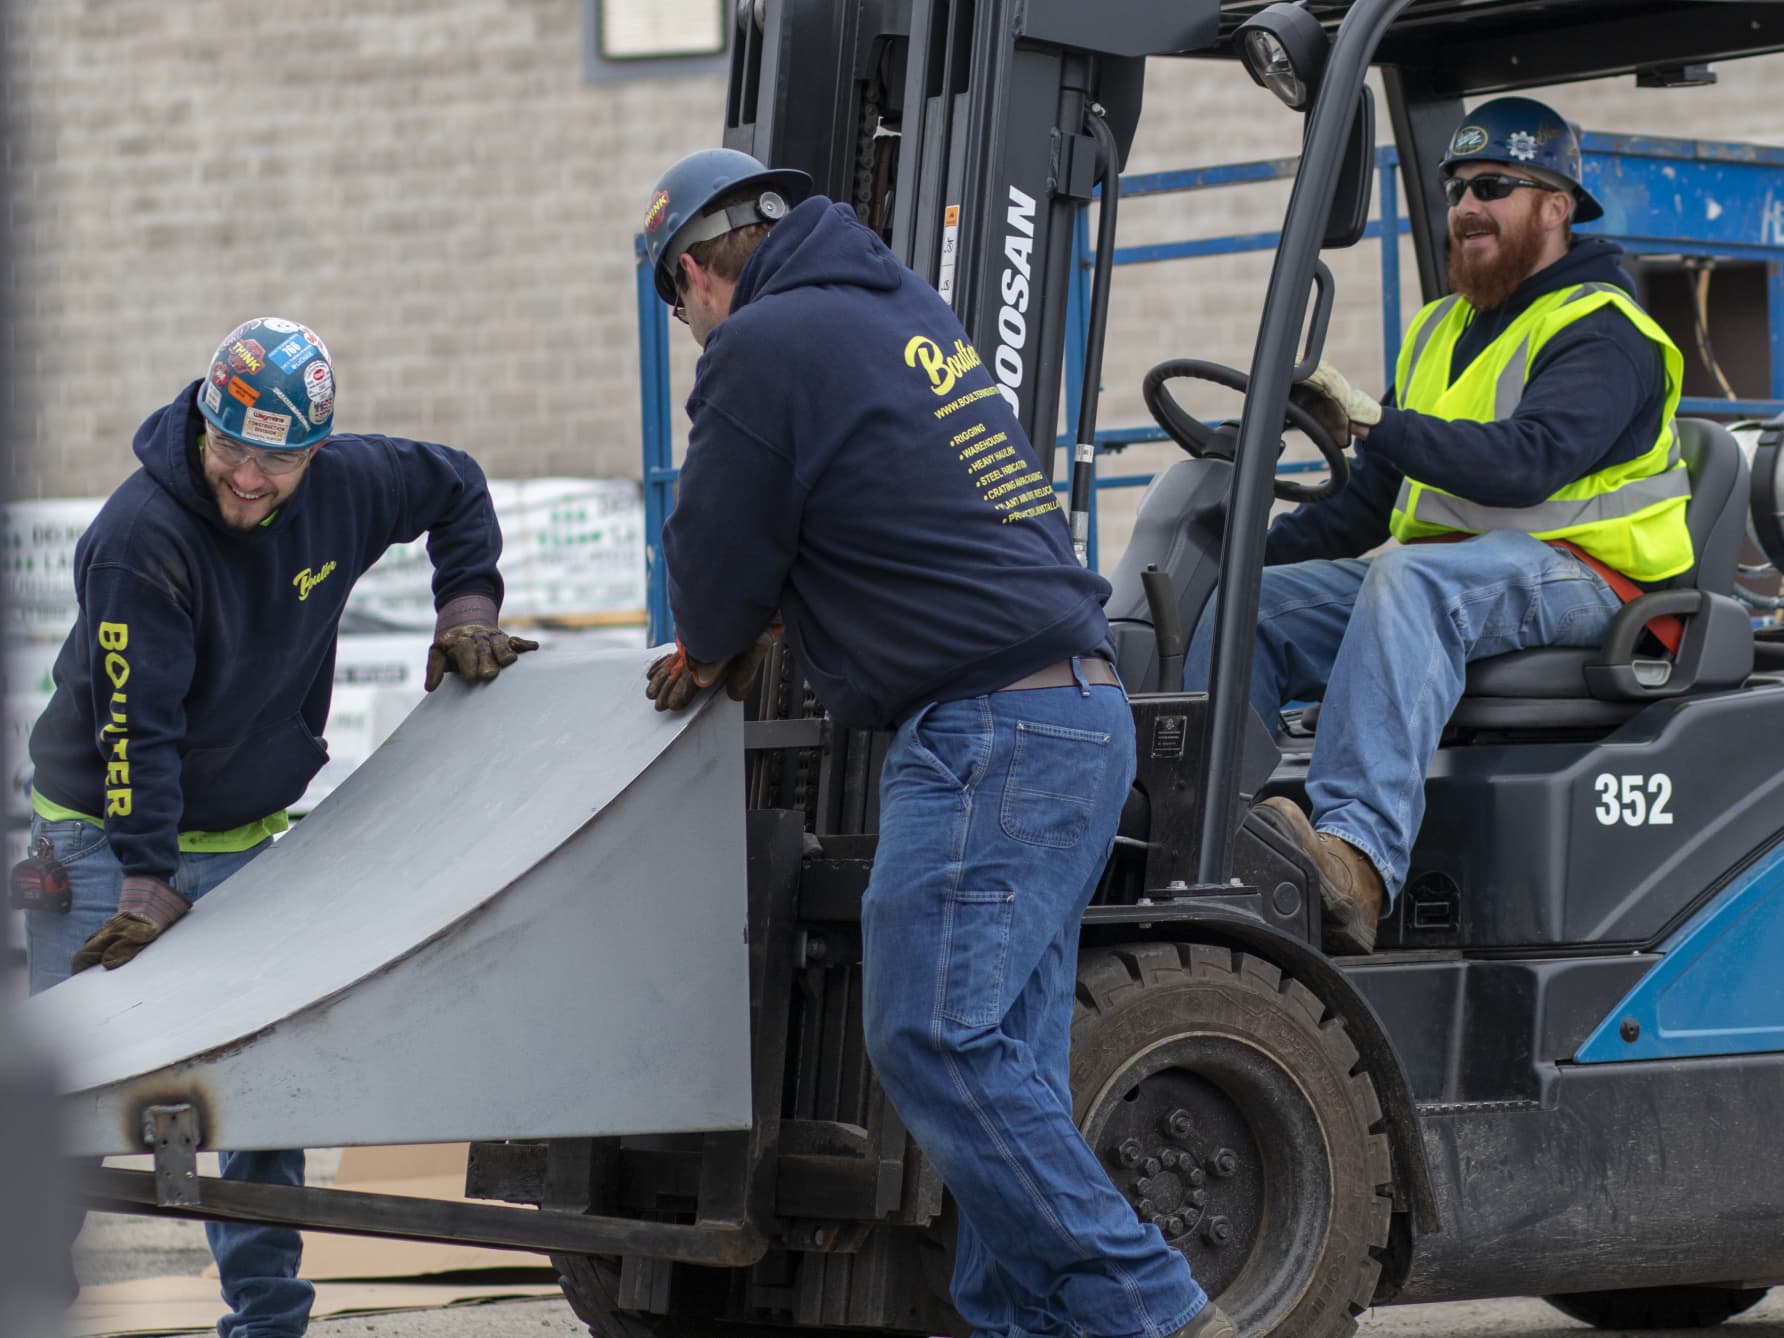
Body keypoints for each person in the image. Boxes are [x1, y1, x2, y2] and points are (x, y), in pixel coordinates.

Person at [639, 148, 1235, 1338]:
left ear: (700, 274)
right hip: (1073, 711)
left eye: (681, 307)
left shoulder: (761, 345)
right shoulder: (904, 313)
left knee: (934, 1043)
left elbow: (715, 550)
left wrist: (709, 644)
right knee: (1004, 1068)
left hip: (986, 733)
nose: (693, 331)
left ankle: (1156, 1313)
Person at [21, 316, 537, 1336]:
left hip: (242, 835)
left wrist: (465, 607)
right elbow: (136, 726)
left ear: (315, 450)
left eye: (278, 461)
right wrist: (143, 877)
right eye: (230, 451)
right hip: (100, 837)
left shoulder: (350, 484)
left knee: (264, 1099)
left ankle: (268, 1323)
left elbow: (460, 484)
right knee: (66, 1095)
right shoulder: (141, 539)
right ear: (201, 420)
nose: (249, 481)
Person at [1187, 96, 1690, 954]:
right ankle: (1200, 839)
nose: (1465, 207)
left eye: (1493, 185)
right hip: (1458, 578)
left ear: (1555, 205)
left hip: (1592, 581)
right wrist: (1224, 560)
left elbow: (1526, 460)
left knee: (1409, 580)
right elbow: (1365, 506)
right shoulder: (1439, 328)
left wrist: (1376, 421)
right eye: (1456, 186)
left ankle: (1357, 859)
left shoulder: (1605, 330)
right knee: (1252, 607)